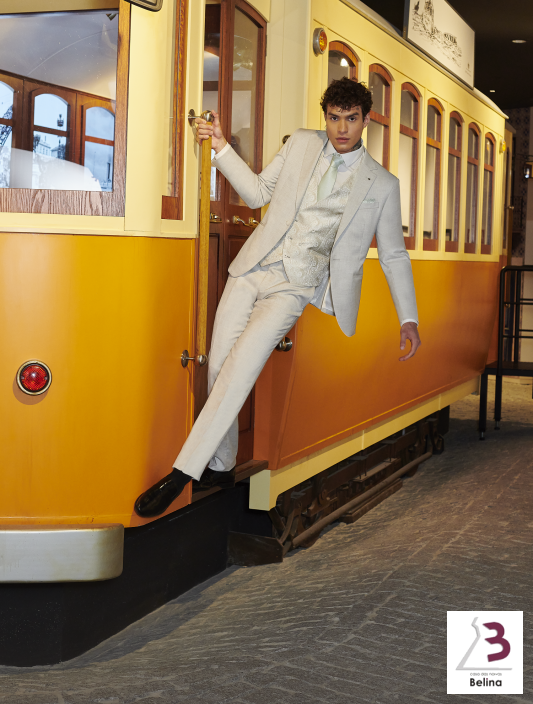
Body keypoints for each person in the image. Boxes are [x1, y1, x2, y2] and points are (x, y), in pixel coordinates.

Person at [135, 77, 421, 518]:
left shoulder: (381, 184)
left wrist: (409, 318)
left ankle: (181, 473)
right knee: (219, 367)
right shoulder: (302, 143)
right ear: (325, 116)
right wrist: (220, 146)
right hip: (252, 269)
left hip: (295, 286)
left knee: (240, 368)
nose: (341, 128)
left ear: (366, 121)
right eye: (334, 118)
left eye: (351, 119)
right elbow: (256, 194)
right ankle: (221, 465)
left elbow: (394, 255)